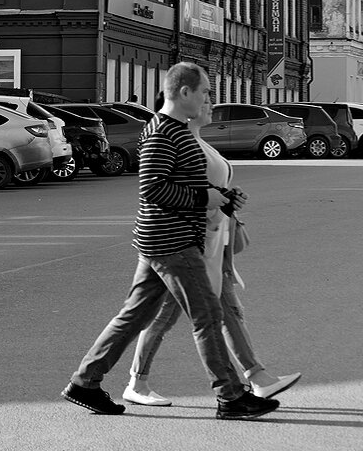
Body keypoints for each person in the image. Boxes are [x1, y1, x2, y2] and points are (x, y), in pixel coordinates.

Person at [62, 61, 280, 420]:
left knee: (133, 317)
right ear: (184, 92)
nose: (209, 98)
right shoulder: (163, 132)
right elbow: (153, 188)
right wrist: (203, 199)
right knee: (208, 315)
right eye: (205, 92)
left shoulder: (177, 131)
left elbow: (183, 182)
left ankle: (85, 382)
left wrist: (221, 196)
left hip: (163, 240)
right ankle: (231, 396)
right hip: (171, 241)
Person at [123, 92, 301, 407]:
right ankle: (137, 382)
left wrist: (231, 199)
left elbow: (209, 188)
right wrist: (214, 202)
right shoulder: (178, 142)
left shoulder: (197, 142)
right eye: (203, 99)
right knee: (169, 316)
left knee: (225, 311)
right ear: (184, 106)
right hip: (188, 243)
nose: (210, 105)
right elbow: (167, 191)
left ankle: (257, 377)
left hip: (211, 241)